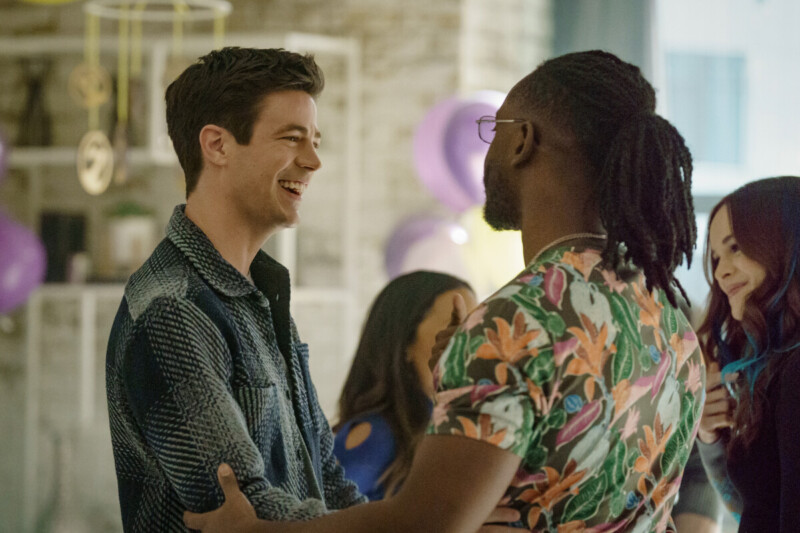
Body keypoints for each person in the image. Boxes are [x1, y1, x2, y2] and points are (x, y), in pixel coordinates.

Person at [183, 50, 705, 533]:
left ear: (522, 141)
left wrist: (253, 531)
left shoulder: (517, 322)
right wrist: (465, 377)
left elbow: (424, 525)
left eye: (493, 130)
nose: (488, 149)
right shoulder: (671, 323)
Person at [104, 47, 368, 531]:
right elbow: (246, 509)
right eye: (292, 138)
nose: (313, 161)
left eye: (314, 141)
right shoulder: (171, 311)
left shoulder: (263, 295)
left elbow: (327, 482)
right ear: (217, 146)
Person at [695, 176, 800, 532]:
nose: (720, 271)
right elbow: (754, 510)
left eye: (736, 247)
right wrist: (710, 438)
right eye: (716, 257)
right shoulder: (775, 366)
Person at [333, 271, 478, 500]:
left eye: (476, 328)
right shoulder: (376, 435)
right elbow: (321, 514)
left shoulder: (446, 427)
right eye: (454, 328)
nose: (473, 343)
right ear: (406, 343)